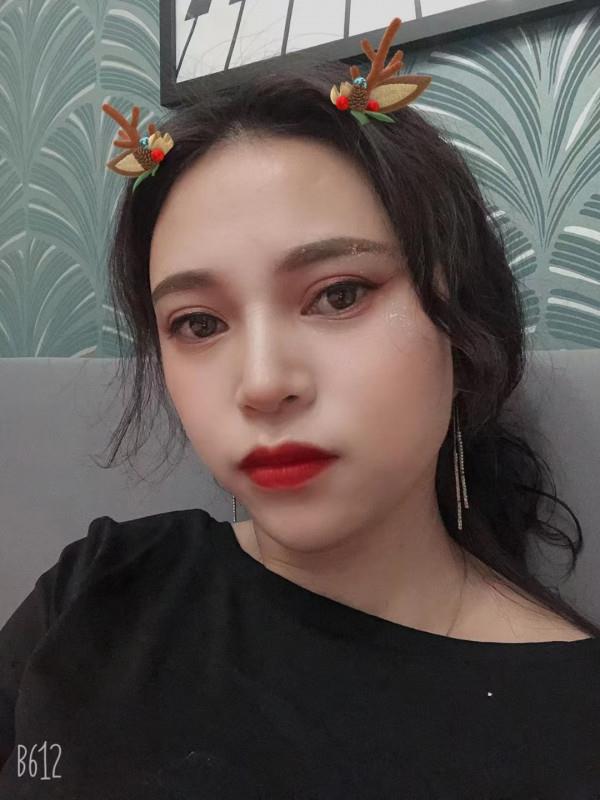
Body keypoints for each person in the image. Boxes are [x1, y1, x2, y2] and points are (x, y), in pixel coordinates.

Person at [1, 18, 599, 799]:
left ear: (459, 322)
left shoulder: (574, 722)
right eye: (198, 324)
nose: (261, 383)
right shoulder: (98, 587)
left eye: (339, 295)